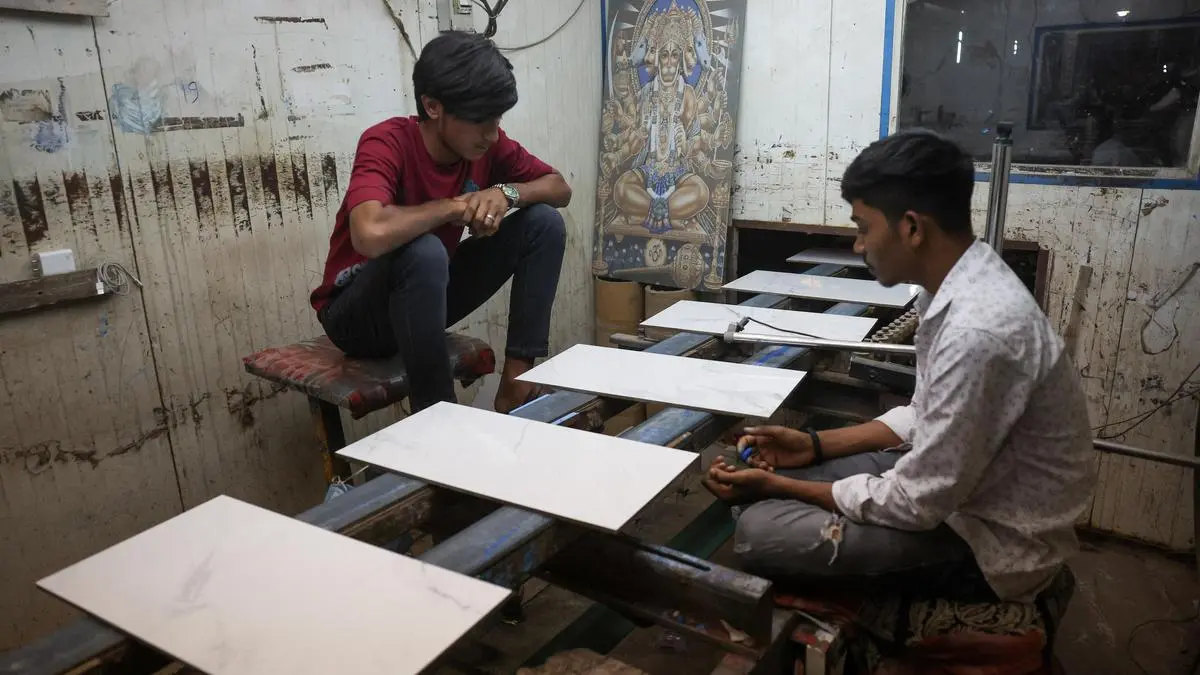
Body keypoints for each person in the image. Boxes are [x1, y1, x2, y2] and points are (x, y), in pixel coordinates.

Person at [703, 130, 1095, 604]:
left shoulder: (977, 331)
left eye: (863, 227)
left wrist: (777, 485)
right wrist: (812, 445)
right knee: (771, 486)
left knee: (759, 529)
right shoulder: (956, 286)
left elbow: (916, 503)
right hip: (964, 490)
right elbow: (922, 414)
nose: (857, 245)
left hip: (991, 536)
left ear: (911, 228)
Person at [310, 31, 572, 413]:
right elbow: (368, 232)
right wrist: (453, 207)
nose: (492, 134)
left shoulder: (488, 145)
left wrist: (506, 193)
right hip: (356, 319)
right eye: (480, 121)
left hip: (426, 297)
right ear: (433, 106)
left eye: (497, 119)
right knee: (425, 250)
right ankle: (436, 415)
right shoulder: (386, 142)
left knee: (543, 223)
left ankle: (516, 385)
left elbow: (559, 188)